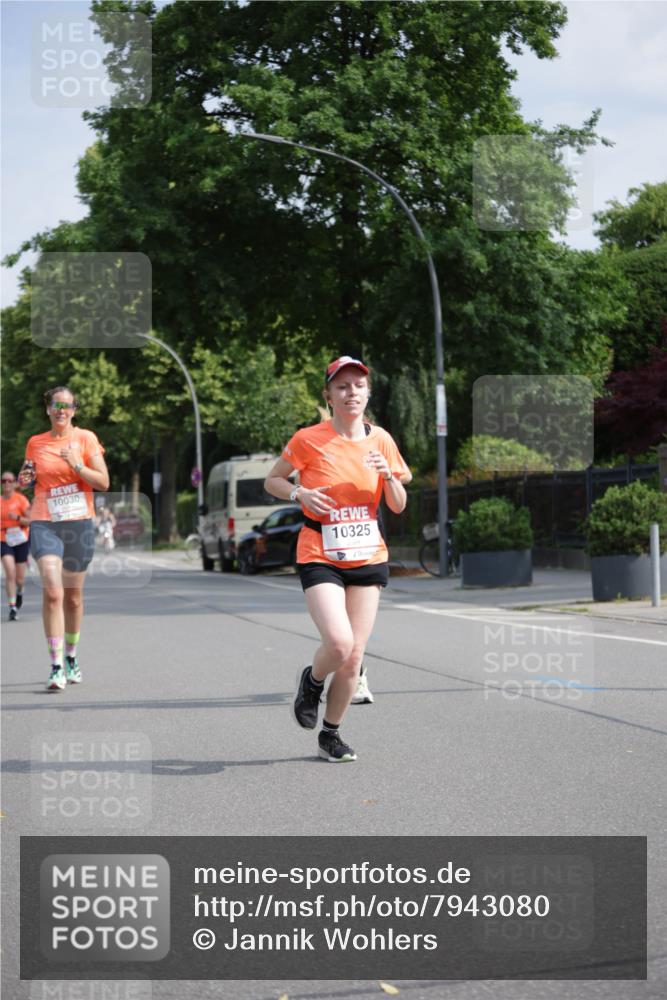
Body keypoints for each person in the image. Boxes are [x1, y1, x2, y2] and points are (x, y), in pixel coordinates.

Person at [265, 356, 410, 762]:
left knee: (354, 658)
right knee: (340, 643)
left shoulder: (381, 440)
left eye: (358, 386)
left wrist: (389, 477)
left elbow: (398, 506)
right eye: (342, 386)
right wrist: (300, 494)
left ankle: (331, 734)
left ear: (368, 393)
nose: (351, 393)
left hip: (366, 553)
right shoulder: (308, 438)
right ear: (328, 395)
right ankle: (311, 682)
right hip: (320, 551)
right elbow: (273, 480)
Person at [18, 386, 109, 691]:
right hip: (45, 522)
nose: (61, 410)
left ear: (74, 410)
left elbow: (104, 482)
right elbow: (28, 475)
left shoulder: (85, 439)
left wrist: (77, 464)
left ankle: (72, 656)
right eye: (56, 405)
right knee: (54, 592)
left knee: (73, 597)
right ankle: (55, 665)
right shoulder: (35, 442)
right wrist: (25, 478)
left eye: (67, 406)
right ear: (48, 409)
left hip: (78, 524)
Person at [1, 471, 31, 621]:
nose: (6, 484)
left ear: (14, 483)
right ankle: (12, 606)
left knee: (19, 579)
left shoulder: (21, 500)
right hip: (4, 539)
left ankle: (20, 592)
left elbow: (31, 520)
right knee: (10, 573)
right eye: (3, 481)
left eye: (9, 481)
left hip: (21, 539)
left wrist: (18, 518)